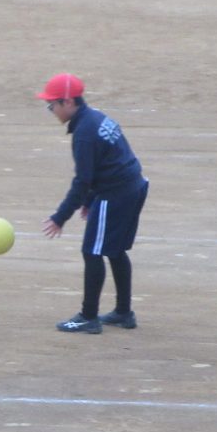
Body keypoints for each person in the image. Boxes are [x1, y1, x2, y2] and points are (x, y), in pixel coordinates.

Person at [37, 73, 149, 334]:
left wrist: (60, 217)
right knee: (114, 250)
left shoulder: (84, 134)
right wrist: (90, 201)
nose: (51, 110)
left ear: (67, 102)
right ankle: (123, 312)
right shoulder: (95, 117)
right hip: (134, 186)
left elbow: (82, 181)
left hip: (117, 193)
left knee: (92, 251)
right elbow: (101, 166)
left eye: (52, 105)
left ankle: (89, 316)